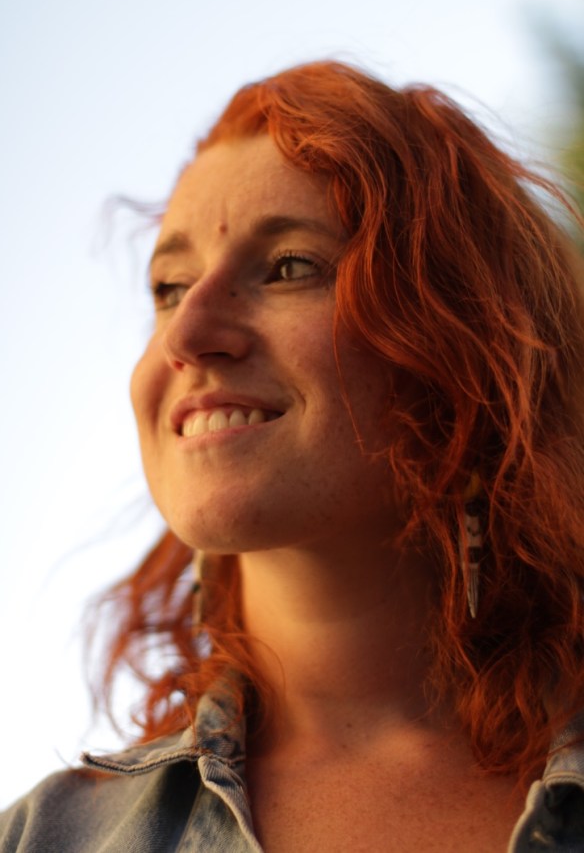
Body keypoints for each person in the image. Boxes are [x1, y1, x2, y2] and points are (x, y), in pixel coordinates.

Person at [2, 60, 584, 852]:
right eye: (169, 287)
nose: (186, 334)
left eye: (288, 268)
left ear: (461, 351)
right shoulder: (45, 838)